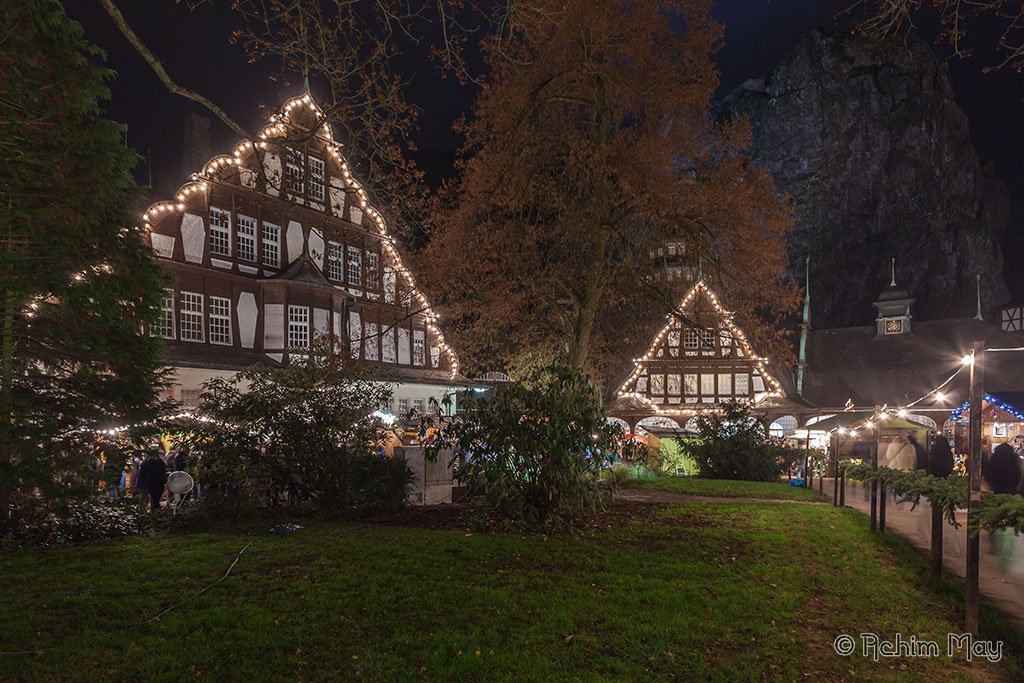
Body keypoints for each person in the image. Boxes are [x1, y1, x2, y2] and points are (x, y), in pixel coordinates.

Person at [138, 447, 168, 512]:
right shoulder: (161, 462)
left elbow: (142, 474)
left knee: (144, 498)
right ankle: (155, 512)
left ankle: (143, 512)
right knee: (156, 500)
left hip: (148, 483)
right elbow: (163, 473)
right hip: (159, 483)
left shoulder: (146, 462)